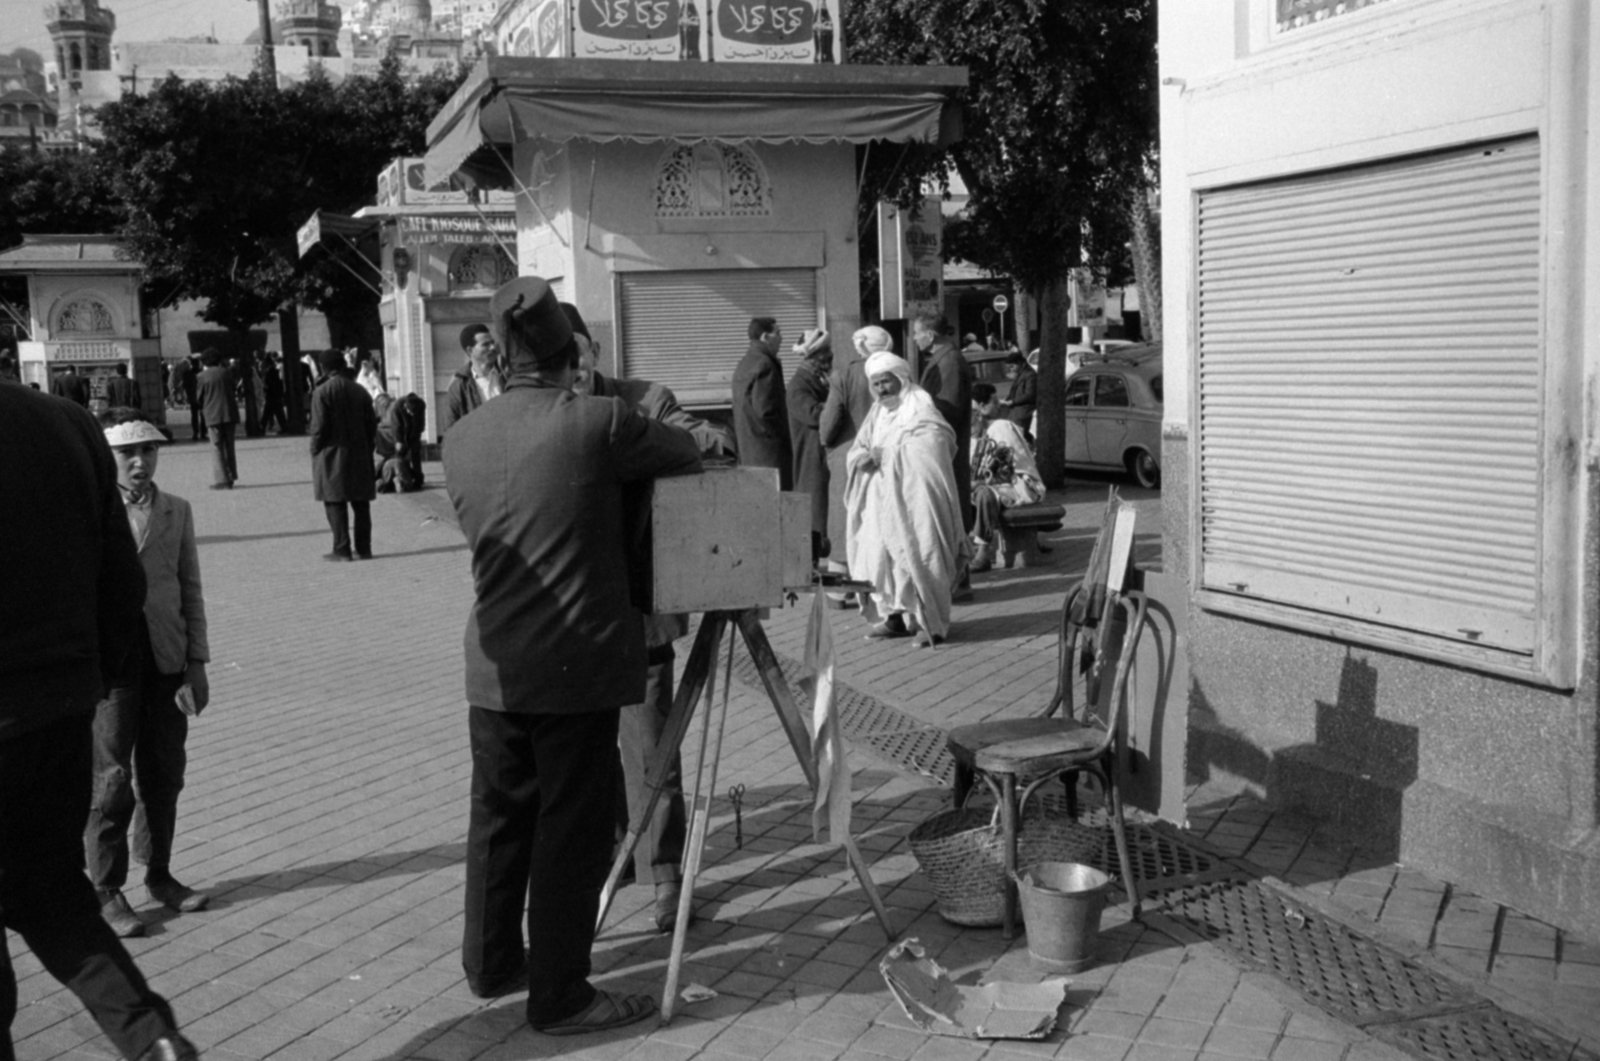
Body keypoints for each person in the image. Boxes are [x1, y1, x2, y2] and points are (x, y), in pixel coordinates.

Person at [444, 277, 701, 1033]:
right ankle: (561, 994)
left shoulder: (462, 436)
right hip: (574, 667)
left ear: (503, 356)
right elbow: (684, 449)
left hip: (494, 665)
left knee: (499, 819)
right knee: (571, 830)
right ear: (570, 355)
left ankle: (492, 962)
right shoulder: (599, 421)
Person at [0, 384, 200, 1061]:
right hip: (59, 709)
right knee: (56, 896)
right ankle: (154, 1040)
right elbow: (123, 583)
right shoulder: (66, 423)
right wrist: (91, 683)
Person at [567, 305, 729, 936]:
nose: (574, 366)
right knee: (587, 753)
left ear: (594, 350)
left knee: (652, 747)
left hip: (640, 611)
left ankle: (664, 873)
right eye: (560, 357)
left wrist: (639, 433)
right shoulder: (544, 415)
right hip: (573, 616)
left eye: (579, 350)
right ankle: (615, 853)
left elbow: (710, 442)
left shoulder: (645, 400)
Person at [86, 409, 212, 940]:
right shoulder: (90, 510)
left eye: (149, 451)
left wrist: (197, 661)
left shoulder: (176, 510)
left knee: (164, 771)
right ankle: (106, 888)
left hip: (166, 658)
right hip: (112, 666)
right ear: (107, 457)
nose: (140, 462)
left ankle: (159, 873)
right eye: (127, 453)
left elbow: (189, 587)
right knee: (112, 779)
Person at [845, 351, 966, 648]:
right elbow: (859, 446)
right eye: (876, 384)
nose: (881, 389)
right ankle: (895, 620)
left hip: (915, 501)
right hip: (879, 499)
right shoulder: (877, 412)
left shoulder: (921, 407)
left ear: (900, 378)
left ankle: (930, 624)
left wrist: (888, 455)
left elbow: (935, 446)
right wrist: (861, 458)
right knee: (882, 560)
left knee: (920, 557)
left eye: (886, 382)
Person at [819, 325, 887, 602]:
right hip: (886, 456)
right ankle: (879, 586)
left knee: (843, 520)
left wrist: (829, 445)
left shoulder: (845, 375)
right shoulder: (897, 371)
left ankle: (840, 591)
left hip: (849, 458)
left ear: (860, 346)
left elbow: (828, 425)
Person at [309, 349, 378, 561]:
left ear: (324, 368)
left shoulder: (322, 392)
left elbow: (319, 427)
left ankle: (342, 549)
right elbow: (372, 424)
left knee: (334, 501)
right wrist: (368, 446)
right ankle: (364, 548)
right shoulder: (360, 391)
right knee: (361, 503)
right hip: (359, 452)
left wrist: (314, 448)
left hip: (332, 454)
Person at [968, 383, 1045, 572]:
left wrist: (978, 482)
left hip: (1021, 485)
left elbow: (1008, 470)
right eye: (994, 401)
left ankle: (983, 554)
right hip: (998, 486)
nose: (1000, 405)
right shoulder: (976, 436)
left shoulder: (1002, 427)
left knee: (984, 494)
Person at [785, 328, 832, 561]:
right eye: (825, 353)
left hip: (820, 454)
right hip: (811, 455)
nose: (830, 356)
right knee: (815, 506)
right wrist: (836, 405)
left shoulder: (819, 380)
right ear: (813, 356)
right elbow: (813, 414)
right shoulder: (798, 385)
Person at [730, 316, 793, 489]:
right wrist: (785, 438)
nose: (781, 338)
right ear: (765, 337)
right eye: (778, 333)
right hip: (769, 456)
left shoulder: (745, 363)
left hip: (750, 453)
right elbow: (767, 411)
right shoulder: (765, 365)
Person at [442, 324, 505, 437]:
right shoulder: (459, 387)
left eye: (492, 342)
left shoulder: (507, 376)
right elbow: (450, 429)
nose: (492, 347)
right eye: (485, 344)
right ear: (470, 350)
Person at [194, 349, 238, 489]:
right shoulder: (227, 372)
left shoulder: (201, 376)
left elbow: (199, 397)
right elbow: (233, 389)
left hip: (212, 414)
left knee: (217, 447)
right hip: (229, 413)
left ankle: (222, 480)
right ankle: (231, 475)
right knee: (229, 446)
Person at [1001, 351, 1038, 440]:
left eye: (1012, 366)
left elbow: (1030, 395)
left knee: (1018, 437)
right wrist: (1007, 399)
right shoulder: (1021, 374)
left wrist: (1013, 401)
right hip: (1017, 412)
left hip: (1024, 413)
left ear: (1020, 363)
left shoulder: (1030, 375)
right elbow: (1014, 391)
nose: (1011, 370)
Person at [259, 355, 286, 435]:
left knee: (266, 414)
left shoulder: (268, 372)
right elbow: (280, 383)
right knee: (279, 413)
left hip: (270, 395)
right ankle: (284, 428)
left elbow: (266, 384)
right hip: (276, 395)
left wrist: (265, 389)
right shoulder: (276, 371)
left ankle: (262, 428)